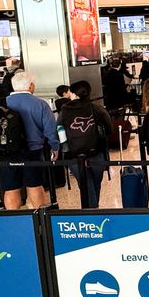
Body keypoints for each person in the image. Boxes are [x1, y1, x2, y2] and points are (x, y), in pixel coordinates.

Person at [0, 72, 59, 210]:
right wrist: (55, 147)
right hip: (33, 150)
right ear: (30, 86)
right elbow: (50, 130)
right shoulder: (40, 104)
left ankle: (14, 219)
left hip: (6, 151)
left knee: (11, 188)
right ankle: (39, 218)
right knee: (35, 185)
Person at [58, 80, 112, 208]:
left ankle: (90, 212)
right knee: (95, 183)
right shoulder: (97, 108)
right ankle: (93, 210)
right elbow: (109, 129)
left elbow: (58, 131)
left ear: (73, 93)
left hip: (74, 156)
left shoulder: (64, 111)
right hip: (96, 153)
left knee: (85, 184)